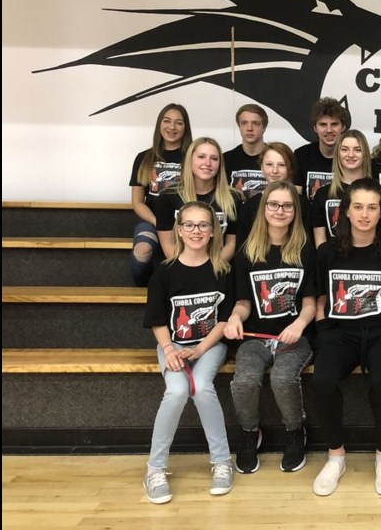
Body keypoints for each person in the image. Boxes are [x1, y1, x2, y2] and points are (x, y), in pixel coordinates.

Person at [311, 178, 381, 497]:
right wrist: (324, 330)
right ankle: (336, 455)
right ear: (346, 212)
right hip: (340, 333)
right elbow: (320, 300)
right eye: (358, 207)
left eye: (372, 207)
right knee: (322, 380)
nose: (365, 214)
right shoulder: (327, 252)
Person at [141, 201, 234, 504]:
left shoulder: (223, 270)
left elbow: (223, 321)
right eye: (190, 225)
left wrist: (200, 348)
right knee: (178, 391)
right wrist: (169, 349)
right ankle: (155, 468)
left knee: (203, 387)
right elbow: (156, 320)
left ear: (212, 231)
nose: (196, 231)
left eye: (203, 225)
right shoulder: (164, 272)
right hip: (172, 345)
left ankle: (222, 462)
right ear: (179, 230)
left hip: (210, 345)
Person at [223, 181, 316, 475]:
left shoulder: (305, 250)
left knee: (282, 378)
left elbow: (312, 304)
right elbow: (243, 302)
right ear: (263, 209)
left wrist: (299, 324)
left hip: (294, 336)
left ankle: (294, 432)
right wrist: (236, 318)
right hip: (255, 337)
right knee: (246, 380)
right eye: (273, 204)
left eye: (287, 205)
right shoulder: (247, 251)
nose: (280, 211)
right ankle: (250, 433)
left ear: (295, 211)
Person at [129, 103, 193, 286]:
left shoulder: (194, 157)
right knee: (142, 250)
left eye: (178, 123)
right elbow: (137, 202)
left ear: (185, 128)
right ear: (159, 124)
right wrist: (160, 223)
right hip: (153, 220)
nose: (172, 127)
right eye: (167, 121)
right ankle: (145, 286)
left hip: (186, 222)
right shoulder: (144, 157)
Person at [155, 137, 243, 263]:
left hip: (218, 267)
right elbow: (168, 245)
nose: (208, 163)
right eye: (201, 157)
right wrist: (189, 269)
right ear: (190, 160)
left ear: (220, 164)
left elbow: (231, 244)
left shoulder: (233, 197)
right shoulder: (167, 196)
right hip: (177, 267)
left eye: (214, 158)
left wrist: (209, 268)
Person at [235, 142, 311, 247]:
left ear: (290, 169)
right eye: (269, 164)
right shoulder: (248, 207)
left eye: (281, 165)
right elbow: (241, 250)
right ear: (261, 167)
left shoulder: (304, 205)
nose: (275, 171)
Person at [311, 130, 372, 248]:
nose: (351, 155)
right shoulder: (323, 194)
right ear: (337, 153)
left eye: (357, 150)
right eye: (345, 149)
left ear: (365, 154)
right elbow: (320, 243)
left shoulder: (378, 193)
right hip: (333, 263)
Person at [294, 97, 351, 201]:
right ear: (315, 128)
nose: (329, 130)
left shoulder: (351, 157)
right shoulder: (301, 155)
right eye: (323, 124)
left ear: (343, 127)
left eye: (334, 124)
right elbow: (296, 199)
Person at [223, 104, 270, 200]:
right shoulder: (226, 159)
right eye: (244, 123)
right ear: (239, 126)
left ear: (264, 127)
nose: (249, 128)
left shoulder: (276, 157)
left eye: (255, 123)